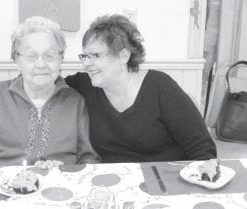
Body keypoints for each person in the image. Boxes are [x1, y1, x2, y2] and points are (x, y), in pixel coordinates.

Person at [0, 16, 100, 170]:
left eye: (49, 55)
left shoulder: (75, 101)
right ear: (16, 59)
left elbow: (88, 158)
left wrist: (63, 170)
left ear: (60, 59)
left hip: (56, 189)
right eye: (31, 56)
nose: (41, 64)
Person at [65, 14, 217, 163]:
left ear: (123, 56)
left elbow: (203, 150)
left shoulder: (160, 87)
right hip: (113, 182)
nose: (86, 63)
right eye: (84, 56)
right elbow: (48, 82)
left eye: (95, 55)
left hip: (165, 179)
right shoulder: (84, 85)